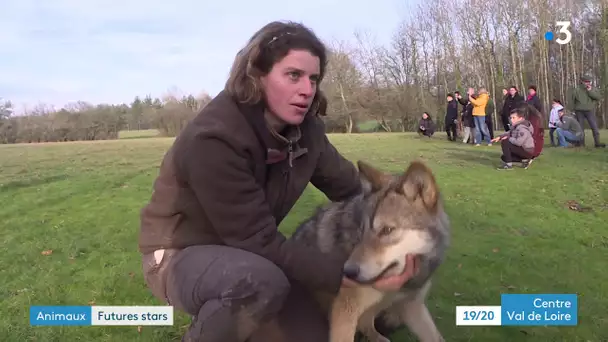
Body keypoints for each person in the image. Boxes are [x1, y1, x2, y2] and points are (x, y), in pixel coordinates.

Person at [138, 21, 419, 342]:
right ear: (257, 75)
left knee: (316, 333)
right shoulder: (214, 138)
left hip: (248, 256)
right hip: (178, 256)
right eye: (293, 75)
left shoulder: (305, 131)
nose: (307, 89)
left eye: (313, 79)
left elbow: (351, 187)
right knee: (258, 283)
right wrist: (356, 275)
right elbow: (258, 241)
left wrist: (407, 214)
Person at [566, 75, 605, 148]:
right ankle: (581, 143)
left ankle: (597, 143)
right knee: (580, 128)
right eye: (586, 82)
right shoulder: (577, 90)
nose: (588, 83)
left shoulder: (593, 89)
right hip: (579, 111)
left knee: (594, 127)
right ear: (582, 82)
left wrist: (590, 91)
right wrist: (572, 110)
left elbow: (598, 97)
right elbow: (572, 101)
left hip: (589, 111)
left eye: (589, 82)